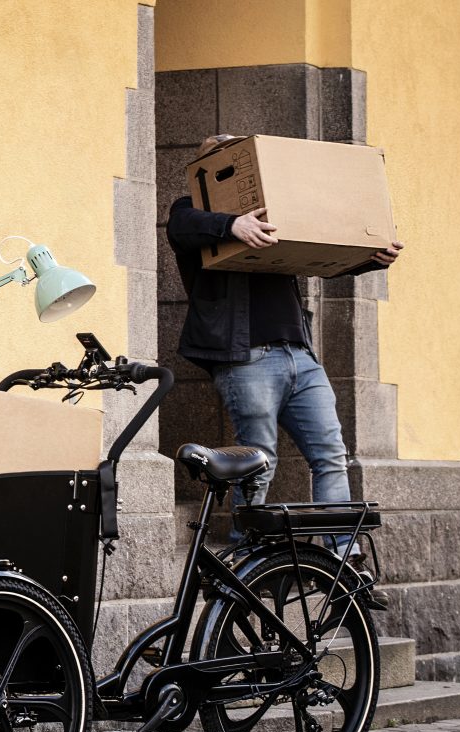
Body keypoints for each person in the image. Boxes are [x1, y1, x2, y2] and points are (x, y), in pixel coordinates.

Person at [167, 134, 403, 549]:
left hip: (300, 355)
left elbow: (320, 246)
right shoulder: (191, 213)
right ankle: (248, 550)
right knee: (258, 462)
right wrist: (230, 224)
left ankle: (341, 561)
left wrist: (370, 257)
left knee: (331, 455)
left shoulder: (275, 215)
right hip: (247, 359)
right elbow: (180, 225)